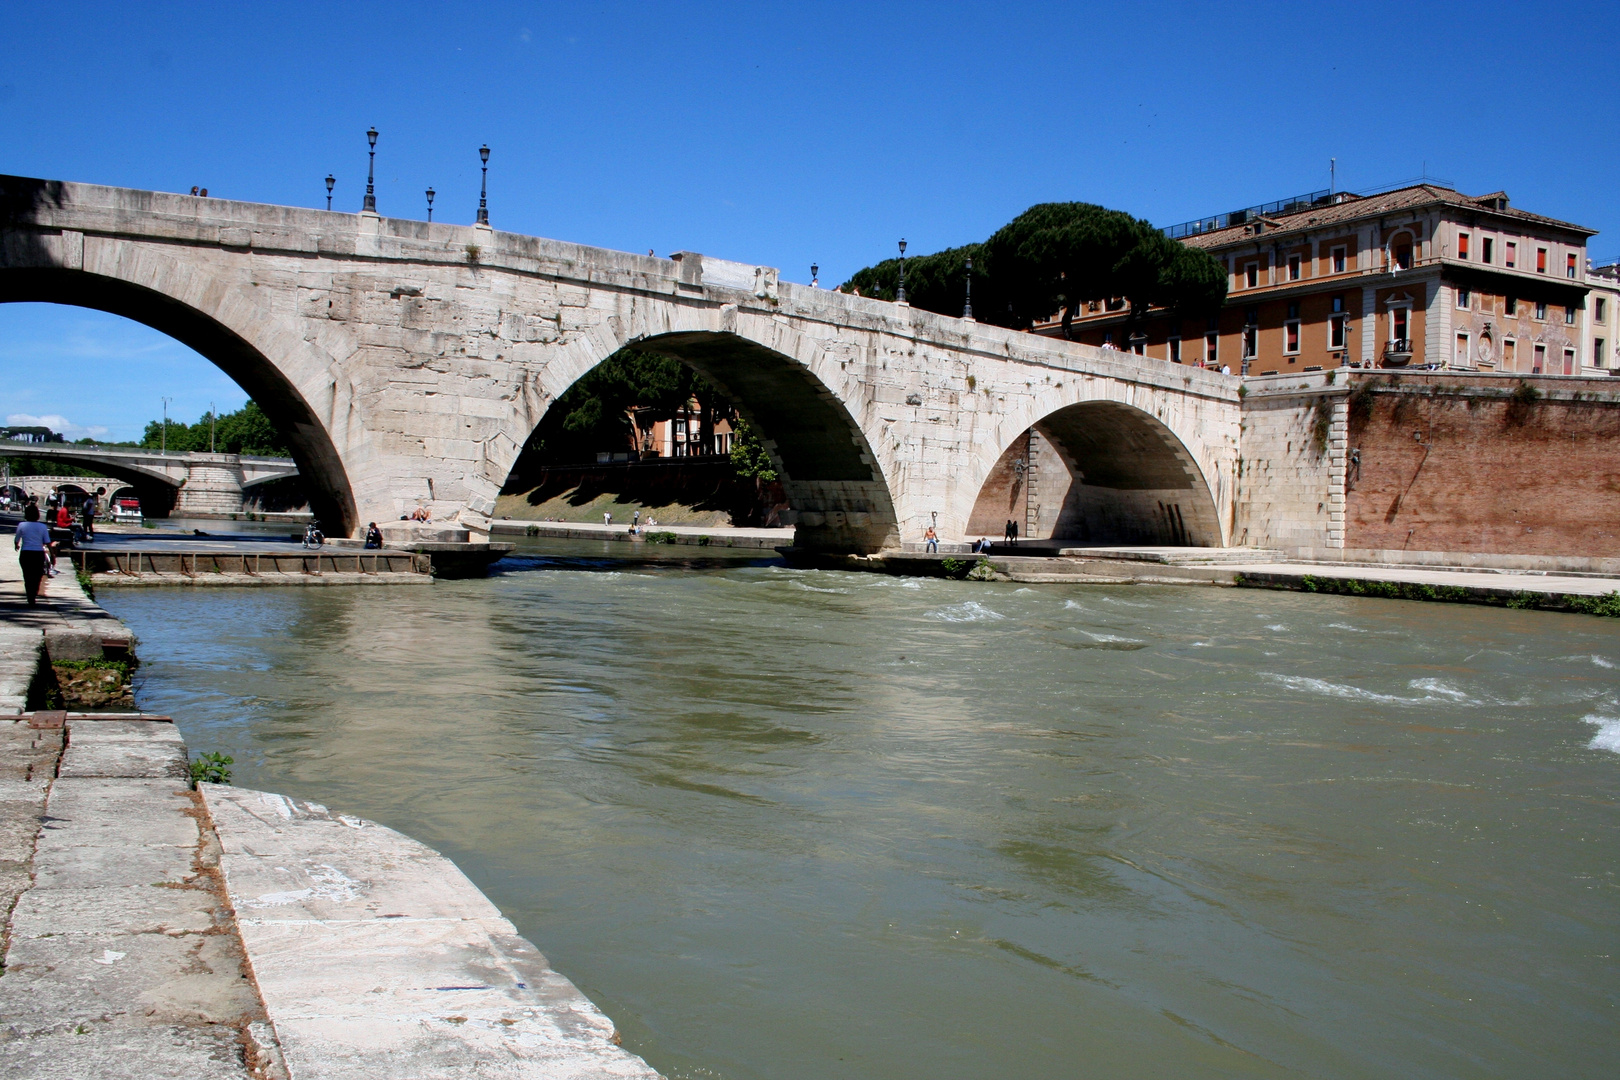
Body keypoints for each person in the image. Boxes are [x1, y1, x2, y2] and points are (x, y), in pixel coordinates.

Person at [13, 505, 52, 605]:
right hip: (38, 553)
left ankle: (30, 596)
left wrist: (16, 545)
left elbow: (17, 539)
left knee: (27, 576)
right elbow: (47, 542)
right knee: (37, 575)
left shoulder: (21, 525)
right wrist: (52, 555)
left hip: (26, 553)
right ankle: (33, 594)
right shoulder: (42, 527)